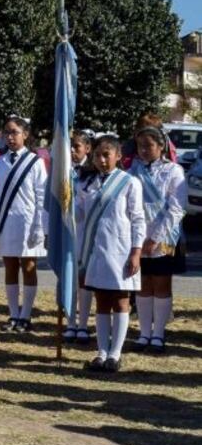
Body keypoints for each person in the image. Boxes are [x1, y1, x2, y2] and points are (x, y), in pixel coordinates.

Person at [78, 135, 145, 373]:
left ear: (118, 156)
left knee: (120, 300)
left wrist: (136, 251)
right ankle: (101, 352)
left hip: (121, 250)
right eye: (97, 155)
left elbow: (138, 219)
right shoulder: (88, 184)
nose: (102, 160)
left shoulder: (129, 182)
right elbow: (81, 217)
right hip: (97, 251)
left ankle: (115, 354)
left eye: (107, 155)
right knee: (102, 301)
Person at [128, 123, 187, 353]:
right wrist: (139, 238)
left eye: (149, 146)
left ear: (161, 146)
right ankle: (144, 333)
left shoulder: (173, 171)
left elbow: (176, 208)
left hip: (165, 237)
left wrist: (155, 237)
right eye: (140, 146)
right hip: (138, 235)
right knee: (142, 285)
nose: (144, 150)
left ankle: (159, 334)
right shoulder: (132, 171)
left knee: (161, 284)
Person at [0, 115, 47, 333]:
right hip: (6, 221)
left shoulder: (35, 162)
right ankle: (13, 314)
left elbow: (41, 197)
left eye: (15, 132)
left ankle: (26, 315)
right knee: (10, 266)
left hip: (28, 221)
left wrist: (40, 226)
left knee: (28, 267)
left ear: (25, 134)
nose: (10, 137)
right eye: (7, 133)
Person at [65, 129, 97, 343]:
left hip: (85, 231)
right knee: (68, 278)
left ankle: (83, 324)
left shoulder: (93, 172)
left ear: (87, 148)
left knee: (84, 280)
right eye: (70, 146)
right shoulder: (62, 169)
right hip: (66, 232)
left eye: (76, 146)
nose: (72, 151)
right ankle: (69, 323)